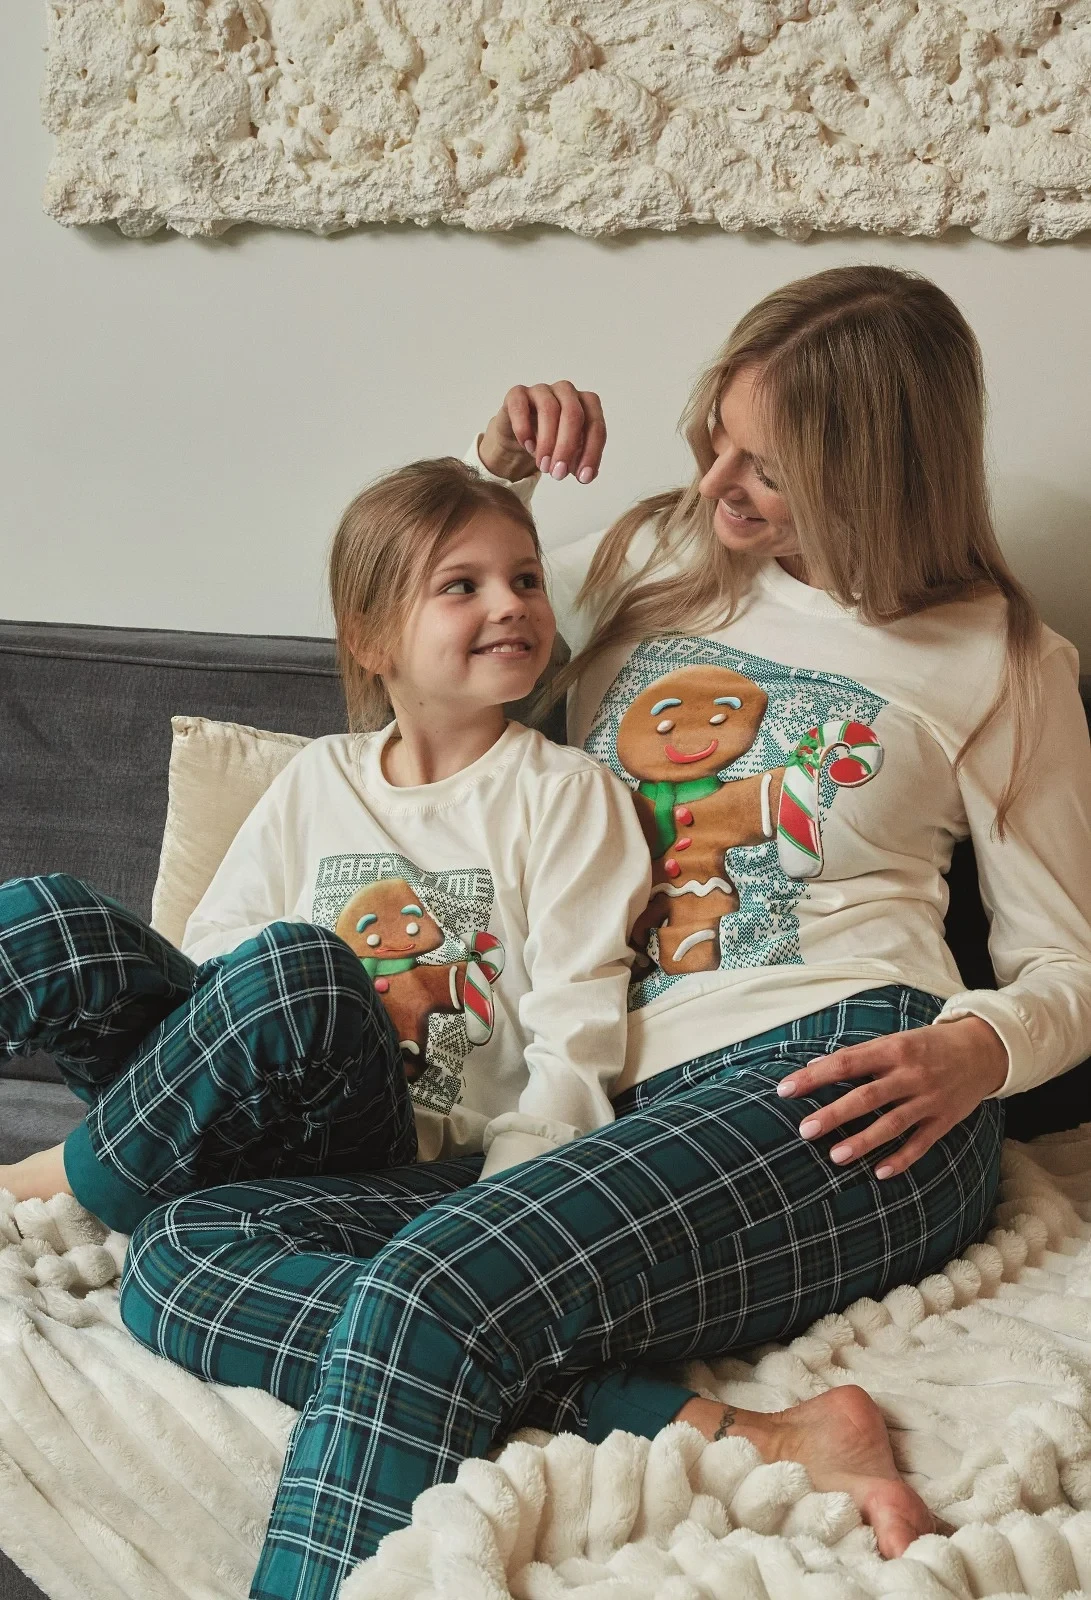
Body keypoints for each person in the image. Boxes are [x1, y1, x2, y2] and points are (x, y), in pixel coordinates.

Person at [117, 266, 1091, 1600]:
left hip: (845, 1087)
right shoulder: (653, 561)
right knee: (184, 1251)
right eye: (714, 439)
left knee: (428, 1293)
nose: (715, 485)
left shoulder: (1001, 659)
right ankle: (759, 1435)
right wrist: (492, 466)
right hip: (599, 1113)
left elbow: (1065, 962)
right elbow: (429, 628)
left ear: (874, 475)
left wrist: (976, 1048)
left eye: (766, 470)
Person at [0, 457, 650, 1227]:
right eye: (462, 586)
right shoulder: (320, 773)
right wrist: (219, 1046)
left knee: (304, 972)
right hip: (237, 1094)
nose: (511, 604)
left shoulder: (567, 793)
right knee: (43, 916)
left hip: (386, 1145)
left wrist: (507, 1202)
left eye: (527, 580)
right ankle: (148, 1144)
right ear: (371, 639)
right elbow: (212, 949)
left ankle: (54, 1180)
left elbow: (577, 1023)